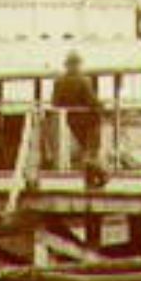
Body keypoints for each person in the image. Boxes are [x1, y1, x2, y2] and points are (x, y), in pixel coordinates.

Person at [51, 50, 107, 188]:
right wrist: (102, 106)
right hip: (90, 121)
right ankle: (102, 174)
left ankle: (90, 180)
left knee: (85, 149)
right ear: (77, 64)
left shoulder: (59, 82)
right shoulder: (83, 81)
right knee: (92, 150)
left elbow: (55, 103)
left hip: (73, 121)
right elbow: (93, 101)